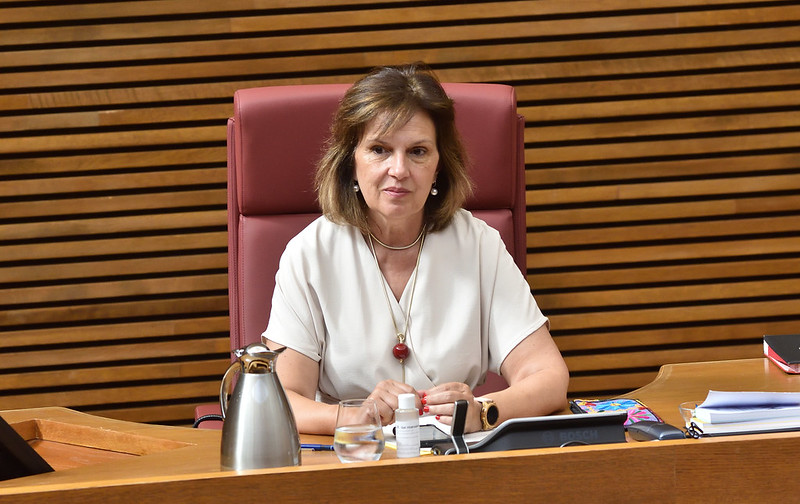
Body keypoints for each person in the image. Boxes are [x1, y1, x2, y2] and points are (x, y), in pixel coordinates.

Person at [263, 62, 569, 435]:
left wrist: (482, 410)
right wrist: (356, 417)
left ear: (439, 165)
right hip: (353, 460)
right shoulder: (310, 255)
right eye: (379, 149)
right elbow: (279, 399)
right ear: (351, 162)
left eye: (418, 152)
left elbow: (548, 376)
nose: (399, 169)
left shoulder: (479, 245)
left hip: (459, 460)